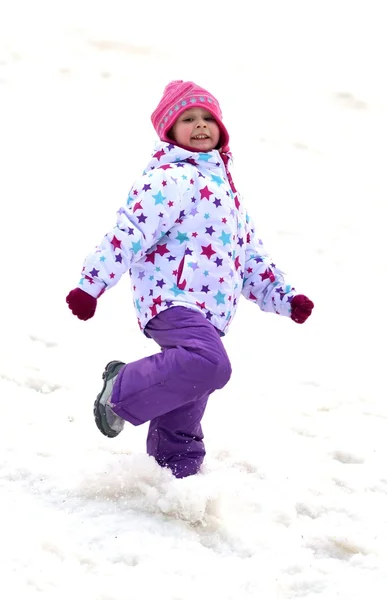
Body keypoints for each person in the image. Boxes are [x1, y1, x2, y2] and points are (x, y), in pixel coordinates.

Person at [66, 80, 314, 478]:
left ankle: (172, 476)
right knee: (209, 365)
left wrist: (284, 296)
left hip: (210, 313)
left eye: (207, 118)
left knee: (187, 393)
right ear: (170, 129)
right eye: (188, 118)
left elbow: (248, 256)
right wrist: (91, 285)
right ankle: (121, 387)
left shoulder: (226, 190)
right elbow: (129, 231)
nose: (200, 125)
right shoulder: (168, 178)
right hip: (170, 300)